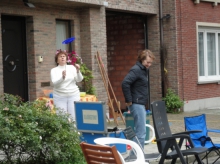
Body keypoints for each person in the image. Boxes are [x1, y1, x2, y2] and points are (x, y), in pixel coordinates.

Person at [121, 49, 155, 149]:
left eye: (150, 63)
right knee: (141, 132)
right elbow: (125, 83)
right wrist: (129, 100)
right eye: (147, 62)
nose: (149, 64)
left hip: (140, 103)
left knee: (140, 131)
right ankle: (139, 158)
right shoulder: (136, 70)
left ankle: (134, 156)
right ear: (142, 60)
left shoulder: (143, 70)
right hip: (137, 103)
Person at [50, 50, 83, 120]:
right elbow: (55, 83)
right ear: (57, 60)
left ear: (66, 59)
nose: (62, 58)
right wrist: (62, 78)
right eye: (60, 56)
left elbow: (79, 79)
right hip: (59, 96)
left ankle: (74, 131)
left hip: (73, 95)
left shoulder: (71, 67)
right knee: (61, 117)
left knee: (74, 116)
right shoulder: (54, 70)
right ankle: (63, 131)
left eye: (64, 56)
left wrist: (78, 71)